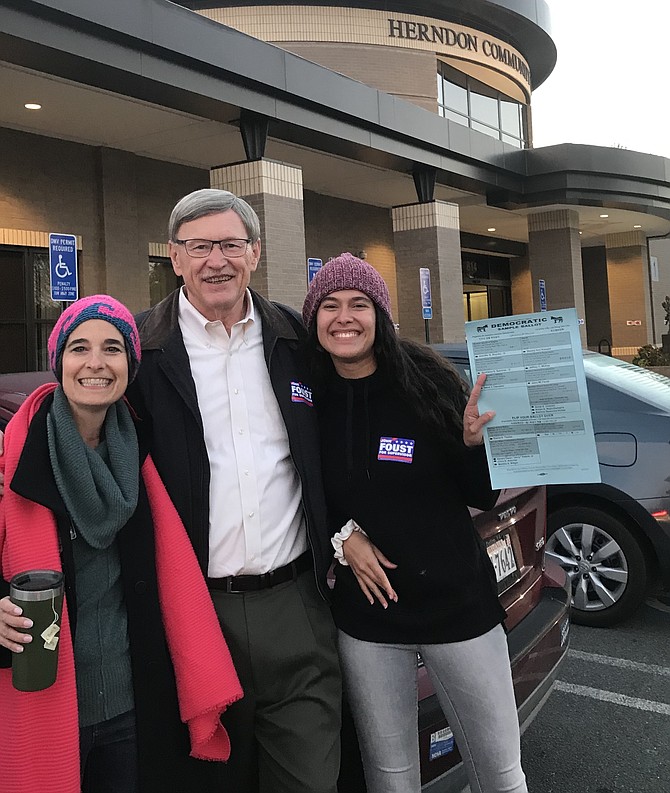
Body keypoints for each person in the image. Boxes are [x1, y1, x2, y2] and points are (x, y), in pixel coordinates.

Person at [125, 189, 341, 793]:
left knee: (309, 781)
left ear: (255, 252)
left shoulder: (297, 339)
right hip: (193, 612)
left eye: (230, 244)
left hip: (297, 606)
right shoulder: (140, 350)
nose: (215, 260)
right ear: (174, 256)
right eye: (199, 247)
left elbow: (353, 433)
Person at [301, 253, 528, 793]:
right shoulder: (308, 398)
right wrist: (343, 536)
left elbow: (481, 492)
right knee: (391, 780)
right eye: (329, 306)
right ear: (313, 320)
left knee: (500, 775)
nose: (344, 317)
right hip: (369, 622)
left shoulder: (427, 379)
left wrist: (475, 447)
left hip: (458, 610)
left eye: (359, 304)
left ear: (380, 314)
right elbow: (301, 487)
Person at [0, 296, 242, 793]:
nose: (95, 363)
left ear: (130, 366)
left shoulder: (142, 457)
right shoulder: (13, 466)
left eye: (112, 348)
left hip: (132, 709)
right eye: (79, 348)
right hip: (44, 704)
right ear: (59, 362)